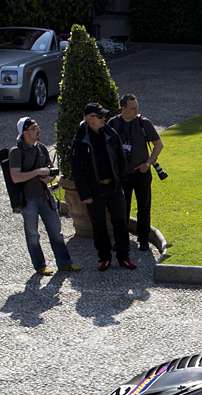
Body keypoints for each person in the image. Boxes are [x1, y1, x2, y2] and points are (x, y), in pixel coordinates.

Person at [8, 117, 81, 275]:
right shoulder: (16, 151)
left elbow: (51, 168)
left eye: (37, 127)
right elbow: (15, 177)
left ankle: (65, 263)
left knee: (56, 231)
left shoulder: (41, 148)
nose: (38, 130)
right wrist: (37, 172)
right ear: (25, 132)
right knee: (33, 234)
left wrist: (50, 177)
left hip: (45, 196)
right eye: (34, 128)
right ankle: (40, 266)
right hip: (28, 200)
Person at [70, 103, 136, 271]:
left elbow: (121, 157)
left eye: (103, 116)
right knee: (99, 224)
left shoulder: (109, 133)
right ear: (89, 118)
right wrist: (85, 193)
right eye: (99, 116)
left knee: (121, 221)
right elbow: (77, 170)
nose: (103, 119)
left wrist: (120, 182)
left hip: (113, 187)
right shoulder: (80, 139)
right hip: (95, 190)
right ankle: (104, 257)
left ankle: (124, 256)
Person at [109, 93, 163, 251]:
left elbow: (159, 145)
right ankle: (121, 240)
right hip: (122, 174)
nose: (136, 111)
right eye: (132, 108)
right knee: (121, 209)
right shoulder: (113, 124)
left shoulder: (143, 123)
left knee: (144, 207)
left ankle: (144, 239)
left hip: (142, 173)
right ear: (123, 108)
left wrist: (147, 163)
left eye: (137, 107)